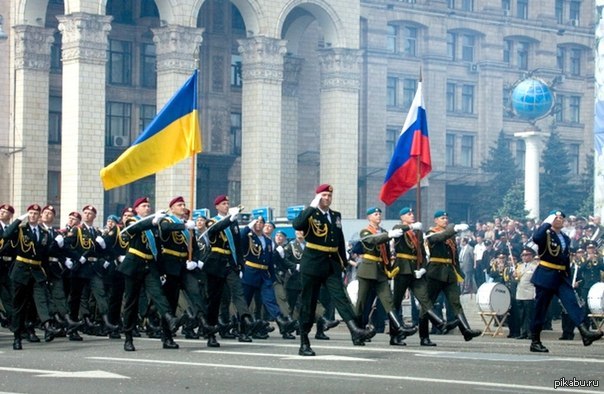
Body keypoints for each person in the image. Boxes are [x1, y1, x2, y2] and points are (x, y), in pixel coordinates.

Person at [292, 184, 375, 356]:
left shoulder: (335, 215)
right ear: (317, 197)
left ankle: (355, 330)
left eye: (329, 196)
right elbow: (297, 224)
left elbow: (339, 239)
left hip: (331, 264)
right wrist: (311, 206)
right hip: (312, 263)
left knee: (341, 297)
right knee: (309, 303)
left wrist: (343, 263)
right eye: (323, 195)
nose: (327, 199)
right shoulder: (311, 213)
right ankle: (304, 342)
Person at [529, 210, 603, 353]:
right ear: (551, 220)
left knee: (572, 302)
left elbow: (565, 258)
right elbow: (536, 238)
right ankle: (535, 341)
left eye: (562, 218)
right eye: (556, 218)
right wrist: (546, 222)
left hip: (561, 276)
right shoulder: (546, 234)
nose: (560, 220)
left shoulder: (565, 238)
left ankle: (584, 333)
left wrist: (568, 278)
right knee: (540, 309)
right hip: (546, 275)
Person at [117, 197, 182, 352]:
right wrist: (153, 220)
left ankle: (170, 318)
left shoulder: (154, 227)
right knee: (131, 303)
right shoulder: (132, 221)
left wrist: (161, 270)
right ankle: (128, 337)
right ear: (137, 209)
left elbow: (157, 250)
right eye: (144, 206)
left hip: (150, 266)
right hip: (134, 265)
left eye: (148, 206)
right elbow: (134, 229)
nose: (147, 208)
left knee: (159, 294)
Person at [391, 207, 455, 346]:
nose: (412, 215)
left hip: (415, 269)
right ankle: (394, 336)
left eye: (413, 213)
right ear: (402, 217)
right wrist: (410, 226)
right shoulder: (399, 227)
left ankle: (427, 335)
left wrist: (423, 269)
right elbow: (398, 231)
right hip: (402, 268)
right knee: (396, 303)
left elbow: (422, 252)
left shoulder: (418, 232)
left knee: (425, 300)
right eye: (409, 214)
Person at [354, 207, 417, 346]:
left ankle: (399, 328)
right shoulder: (365, 231)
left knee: (388, 301)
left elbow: (387, 253)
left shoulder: (383, 232)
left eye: (379, 214)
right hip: (367, 270)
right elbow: (372, 240)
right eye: (375, 214)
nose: (378, 216)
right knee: (362, 303)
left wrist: (389, 270)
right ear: (369, 217)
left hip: (381, 271)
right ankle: (358, 332)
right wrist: (389, 235)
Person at [2, 204, 61, 349]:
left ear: (39, 215)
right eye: (30, 213)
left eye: (35, 213)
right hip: (21, 270)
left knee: (41, 299)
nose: (33, 215)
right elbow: (6, 235)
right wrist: (18, 220)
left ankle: (48, 325)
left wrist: (46, 275)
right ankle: (17, 337)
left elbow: (44, 256)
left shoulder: (44, 233)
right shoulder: (21, 230)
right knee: (19, 305)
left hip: (36, 270)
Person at [425, 210, 481, 341]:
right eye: (442, 218)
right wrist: (453, 229)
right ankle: (424, 335)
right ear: (436, 220)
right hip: (435, 272)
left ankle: (466, 330)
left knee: (456, 302)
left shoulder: (450, 236)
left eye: (446, 218)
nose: (445, 220)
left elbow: (453, 256)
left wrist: (458, 273)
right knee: (428, 304)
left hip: (449, 273)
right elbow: (438, 238)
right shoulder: (431, 232)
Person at [514, 246, 538, 340]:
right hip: (520, 293)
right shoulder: (519, 266)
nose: (525, 257)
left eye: (527, 255)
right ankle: (523, 332)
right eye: (523, 255)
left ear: (531, 256)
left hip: (530, 293)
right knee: (522, 315)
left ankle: (530, 333)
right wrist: (514, 276)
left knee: (529, 315)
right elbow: (517, 279)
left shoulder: (535, 266)